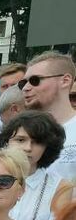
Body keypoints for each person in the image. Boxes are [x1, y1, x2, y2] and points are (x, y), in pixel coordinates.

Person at [0, 110, 71, 220]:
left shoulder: (60, 187)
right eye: (20, 140)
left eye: (37, 142)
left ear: (47, 147)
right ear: (6, 142)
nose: (28, 148)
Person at [21, 51, 76, 181]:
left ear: (65, 80)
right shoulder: (19, 132)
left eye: (35, 80)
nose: (26, 88)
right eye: (23, 83)